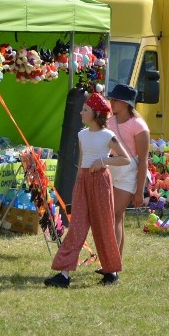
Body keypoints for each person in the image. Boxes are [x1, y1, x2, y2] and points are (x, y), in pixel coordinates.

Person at [45, 93, 131, 288]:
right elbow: (82, 160)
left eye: (85, 109)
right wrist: (78, 186)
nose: (81, 112)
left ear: (96, 113)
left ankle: (111, 271)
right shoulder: (82, 134)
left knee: (103, 226)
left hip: (101, 180)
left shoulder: (108, 135)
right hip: (83, 180)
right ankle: (64, 275)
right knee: (77, 227)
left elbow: (124, 158)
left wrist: (103, 161)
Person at [106, 83, 150, 257]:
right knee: (117, 216)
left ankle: (112, 261)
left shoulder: (139, 126)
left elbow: (143, 160)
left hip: (128, 172)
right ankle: (115, 260)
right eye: (112, 98)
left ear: (126, 103)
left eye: (115, 99)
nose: (112, 101)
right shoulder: (109, 121)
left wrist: (139, 191)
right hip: (111, 168)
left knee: (115, 214)